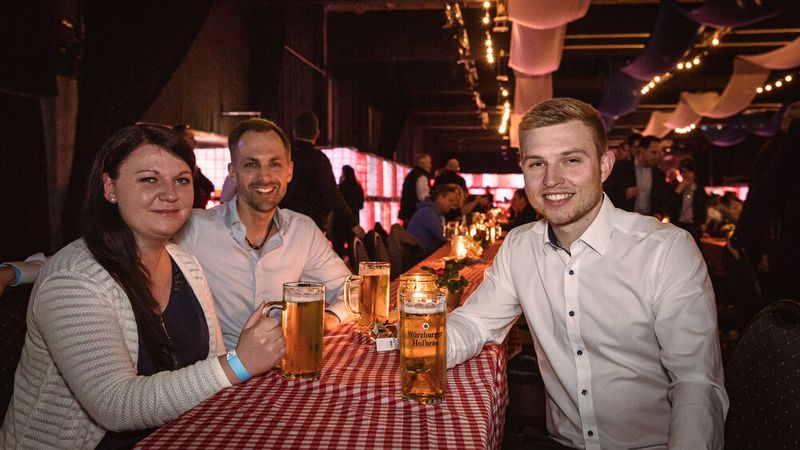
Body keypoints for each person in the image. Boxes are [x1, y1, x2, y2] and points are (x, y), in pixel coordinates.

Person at [446, 98, 727, 449]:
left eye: (571, 159)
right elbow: (474, 323)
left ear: (605, 165)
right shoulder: (520, 246)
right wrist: (412, 338)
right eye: (537, 164)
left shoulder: (666, 250)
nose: (552, 179)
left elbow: (696, 382)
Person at [0, 125, 284, 448]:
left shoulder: (185, 264)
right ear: (110, 187)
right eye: (149, 179)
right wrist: (238, 362)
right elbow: (116, 405)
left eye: (181, 180)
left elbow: (211, 367)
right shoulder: (73, 280)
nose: (170, 193)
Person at [0, 118, 353, 351]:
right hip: (217, 379)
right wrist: (15, 272)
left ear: (289, 170)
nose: (264, 176)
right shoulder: (191, 227)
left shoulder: (302, 231)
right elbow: (102, 256)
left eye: (275, 164)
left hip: (283, 370)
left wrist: (326, 320)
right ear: (232, 172)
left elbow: (351, 290)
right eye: (251, 164)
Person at [279, 112, 360, 237]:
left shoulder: (285, 156)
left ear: (294, 132)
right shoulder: (319, 159)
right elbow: (331, 193)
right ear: (317, 133)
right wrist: (353, 224)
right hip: (311, 223)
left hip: (283, 222)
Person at [603, 135, 669, 218]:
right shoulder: (621, 168)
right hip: (626, 220)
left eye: (659, 153)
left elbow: (662, 198)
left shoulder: (659, 174)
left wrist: (659, 213)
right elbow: (607, 194)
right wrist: (625, 194)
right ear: (641, 150)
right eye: (654, 152)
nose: (657, 157)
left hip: (650, 221)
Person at [406, 183, 461, 259]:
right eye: (450, 200)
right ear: (440, 198)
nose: (452, 205)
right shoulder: (428, 212)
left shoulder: (434, 211)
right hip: (419, 257)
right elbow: (443, 236)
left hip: (424, 254)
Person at [172, 124, 215, 209]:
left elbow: (208, 186)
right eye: (191, 138)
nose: (195, 142)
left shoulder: (190, 161)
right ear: (180, 140)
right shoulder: (175, 162)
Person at [666, 158, 708, 241]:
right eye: (683, 172)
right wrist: (678, 191)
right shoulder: (675, 188)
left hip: (694, 227)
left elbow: (703, 210)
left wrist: (701, 225)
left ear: (694, 173)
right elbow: (670, 208)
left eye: (688, 172)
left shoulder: (699, 190)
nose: (685, 175)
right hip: (678, 226)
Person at [332, 165, 365, 256]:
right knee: (352, 246)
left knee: (338, 248)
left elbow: (335, 203)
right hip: (354, 219)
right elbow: (361, 205)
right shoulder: (358, 187)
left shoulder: (341, 187)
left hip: (340, 221)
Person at [398, 153, 433, 225]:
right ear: (422, 163)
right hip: (415, 215)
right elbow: (423, 198)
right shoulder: (421, 177)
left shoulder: (412, 174)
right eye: (429, 163)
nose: (431, 166)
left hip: (408, 214)